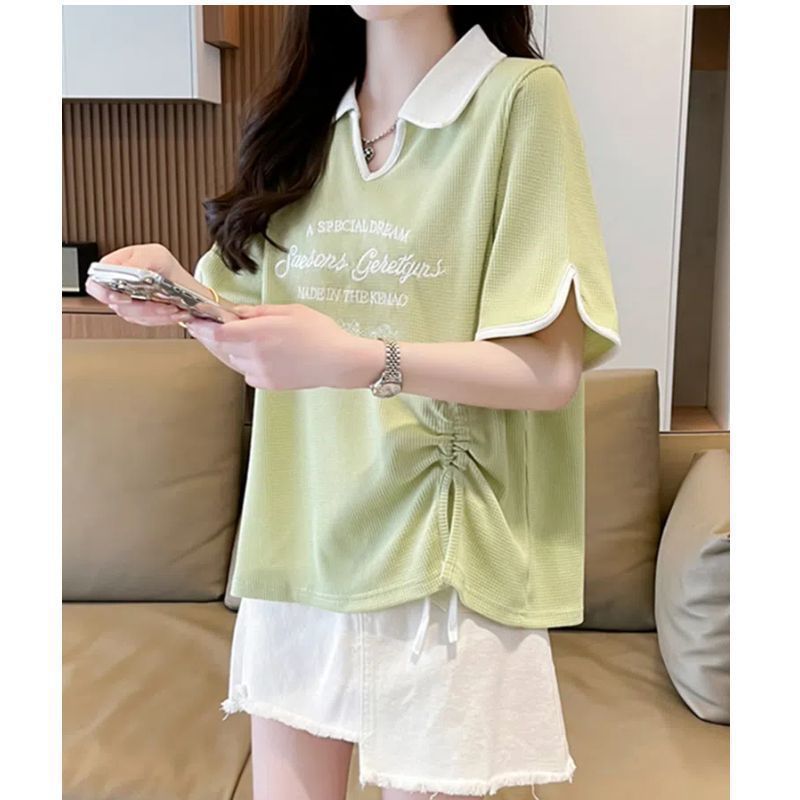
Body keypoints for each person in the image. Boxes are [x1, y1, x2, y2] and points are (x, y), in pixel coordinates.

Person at [87, 5, 622, 799]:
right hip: (300, 534)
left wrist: (360, 360)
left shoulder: (517, 98)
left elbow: (548, 369)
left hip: (439, 559)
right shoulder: (307, 122)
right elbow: (264, 344)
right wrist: (184, 299)